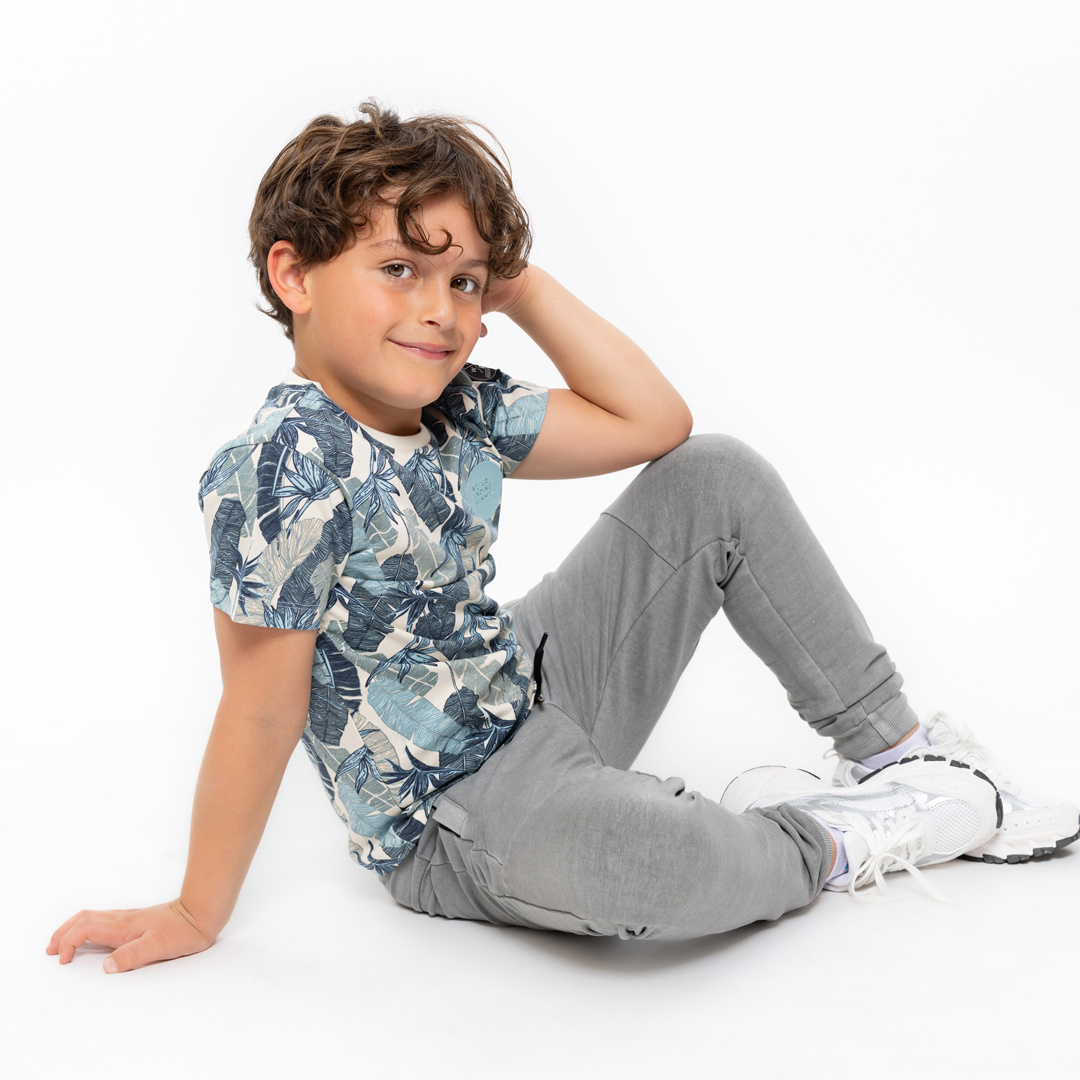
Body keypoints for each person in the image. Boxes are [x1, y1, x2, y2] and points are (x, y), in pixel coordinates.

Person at [47, 102, 1078, 971]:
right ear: (295, 275)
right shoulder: (283, 467)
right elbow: (261, 710)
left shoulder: (457, 404)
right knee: (649, 863)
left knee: (718, 473)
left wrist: (522, 285)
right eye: (400, 268)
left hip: (534, 683)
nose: (441, 311)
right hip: (458, 814)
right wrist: (197, 911)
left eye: (463, 284)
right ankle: (830, 839)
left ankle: (902, 757)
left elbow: (655, 426)